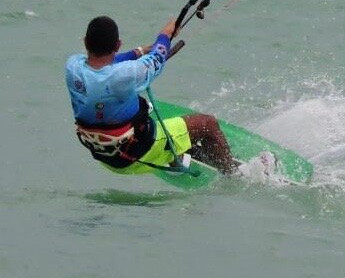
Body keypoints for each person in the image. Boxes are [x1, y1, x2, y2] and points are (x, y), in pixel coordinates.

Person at [65, 14, 235, 175]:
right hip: (138, 156)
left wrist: (139, 52)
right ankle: (234, 174)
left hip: (105, 157)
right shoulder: (126, 75)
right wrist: (165, 35)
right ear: (117, 45)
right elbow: (158, 56)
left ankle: (180, 151)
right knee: (208, 124)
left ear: (85, 42)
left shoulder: (73, 66)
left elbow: (107, 65)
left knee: (139, 105)